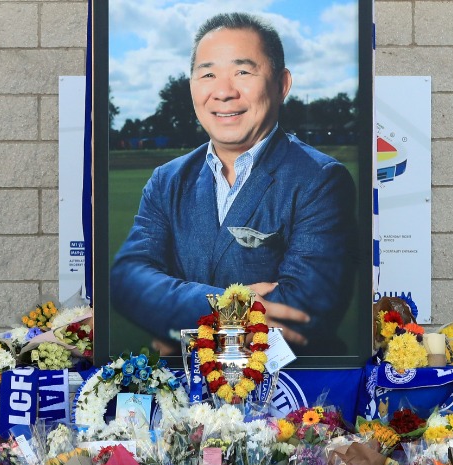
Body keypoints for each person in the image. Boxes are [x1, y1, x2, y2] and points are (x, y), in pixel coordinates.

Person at [110, 12, 359, 356]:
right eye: (208, 74)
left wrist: (178, 326)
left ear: (282, 84)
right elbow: (127, 278)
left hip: (289, 385)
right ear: (192, 86)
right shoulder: (167, 180)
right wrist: (225, 307)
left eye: (243, 72)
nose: (224, 92)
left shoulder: (321, 180)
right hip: (188, 385)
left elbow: (300, 313)